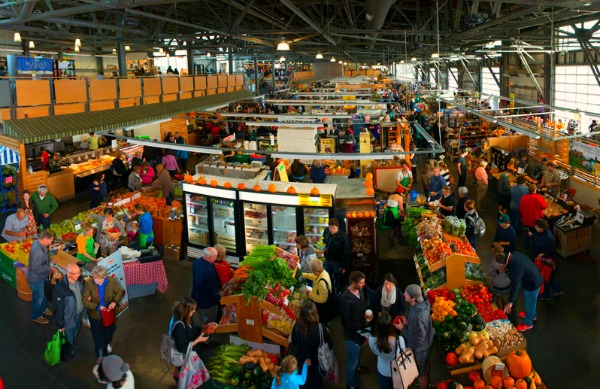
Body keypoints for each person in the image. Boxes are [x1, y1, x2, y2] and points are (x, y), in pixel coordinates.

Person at [394, 284, 434, 389]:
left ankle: (424, 384)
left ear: (414, 298)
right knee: (424, 365)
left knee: (421, 373)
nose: (403, 294)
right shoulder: (423, 304)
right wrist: (408, 322)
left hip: (420, 349)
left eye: (406, 294)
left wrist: (401, 328)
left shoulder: (417, 316)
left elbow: (416, 340)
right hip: (427, 342)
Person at [82, 265, 126, 360]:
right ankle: (100, 357)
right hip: (95, 315)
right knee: (99, 338)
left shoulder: (111, 281)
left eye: (98, 278)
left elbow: (120, 292)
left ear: (104, 277)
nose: (95, 280)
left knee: (109, 332)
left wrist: (114, 302)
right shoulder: (89, 283)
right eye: (94, 277)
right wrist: (97, 306)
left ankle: (107, 343)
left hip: (109, 314)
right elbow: (84, 300)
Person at [496, 252, 543, 332]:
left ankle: (528, 323)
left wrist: (510, 302)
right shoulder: (514, 254)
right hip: (534, 277)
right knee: (531, 301)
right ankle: (532, 314)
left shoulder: (517, 267)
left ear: (503, 263)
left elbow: (515, 284)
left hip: (533, 283)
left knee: (530, 302)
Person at [289, 302, 332, 389]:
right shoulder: (321, 328)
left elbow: (293, 342)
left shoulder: (297, 327)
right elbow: (330, 345)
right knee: (316, 381)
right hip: (316, 361)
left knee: (303, 381)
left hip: (301, 361)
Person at [169, 297, 210, 380]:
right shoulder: (179, 326)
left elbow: (193, 329)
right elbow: (182, 348)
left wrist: (204, 327)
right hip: (184, 358)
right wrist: (198, 340)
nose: (194, 311)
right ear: (186, 310)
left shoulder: (187, 317)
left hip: (192, 351)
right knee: (187, 380)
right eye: (193, 309)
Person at [52, 263, 85, 358]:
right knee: (69, 338)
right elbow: (58, 308)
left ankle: (72, 346)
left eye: (79, 272)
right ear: (69, 274)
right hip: (68, 319)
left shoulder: (80, 281)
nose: (79, 275)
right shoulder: (60, 288)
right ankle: (69, 353)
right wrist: (60, 325)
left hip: (78, 315)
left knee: (75, 333)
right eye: (76, 273)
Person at [369, 311, 406, 389]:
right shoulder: (399, 340)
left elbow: (375, 352)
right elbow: (402, 352)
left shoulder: (371, 339)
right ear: (391, 326)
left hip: (382, 370)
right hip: (396, 370)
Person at [530, 218, 563, 300]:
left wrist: (544, 254)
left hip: (546, 261)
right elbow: (538, 238)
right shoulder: (542, 233)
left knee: (545, 277)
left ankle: (546, 295)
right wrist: (532, 235)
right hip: (541, 258)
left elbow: (552, 250)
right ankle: (557, 290)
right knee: (549, 277)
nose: (535, 228)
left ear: (541, 228)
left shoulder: (549, 238)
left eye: (536, 227)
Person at [27, 230, 55, 325]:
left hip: (42, 276)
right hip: (36, 278)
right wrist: (49, 268)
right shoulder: (37, 251)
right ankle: (36, 316)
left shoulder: (39, 243)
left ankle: (43, 309)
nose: (51, 243)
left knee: (44, 294)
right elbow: (36, 268)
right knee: (38, 297)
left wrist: (48, 260)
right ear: (45, 239)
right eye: (50, 241)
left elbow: (41, 260)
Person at [191, 247, 221, 327]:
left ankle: (200, 329)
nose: (216, 258)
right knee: (209, 322)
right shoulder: (209, 270)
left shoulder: (196, 262)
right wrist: (218, 299)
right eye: (215, 256)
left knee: (201, 317)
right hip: (208, 300)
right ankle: (205, 338)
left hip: (197, 296)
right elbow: (214, 287)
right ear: (210, 257)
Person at [321, 218, 351, 293]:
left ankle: (336, 294)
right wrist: (323, 249)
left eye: (333, 228)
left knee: (338, 280)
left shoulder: (343, 237)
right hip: (328, 259)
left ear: (338, 227)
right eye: (330, 228)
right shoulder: (326, 231)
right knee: (327, 278)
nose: (331, 230)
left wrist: (344, 266)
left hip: (338, 262)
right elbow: (325, 242)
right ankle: (328, 292)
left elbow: (346, 252)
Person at [301, 259, 335, 323]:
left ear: (316, 271)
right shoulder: (323, 272)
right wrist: (304, 275)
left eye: (312, 271)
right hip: (320, 299)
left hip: (322, 306)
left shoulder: (322, 283)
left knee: (320, 318)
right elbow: (314, 276)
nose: (312, 272)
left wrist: (310, 294)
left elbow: (322, 299)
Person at [519, 184, 547, 248]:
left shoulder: (523, 198)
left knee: (526, 233)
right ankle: (534, 247)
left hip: (526, 220)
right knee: (535, 235)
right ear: (535, 190)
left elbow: (520, 209)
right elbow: (544, 207)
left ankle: (526, 246)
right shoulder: (538, 197)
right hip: (535, 221)